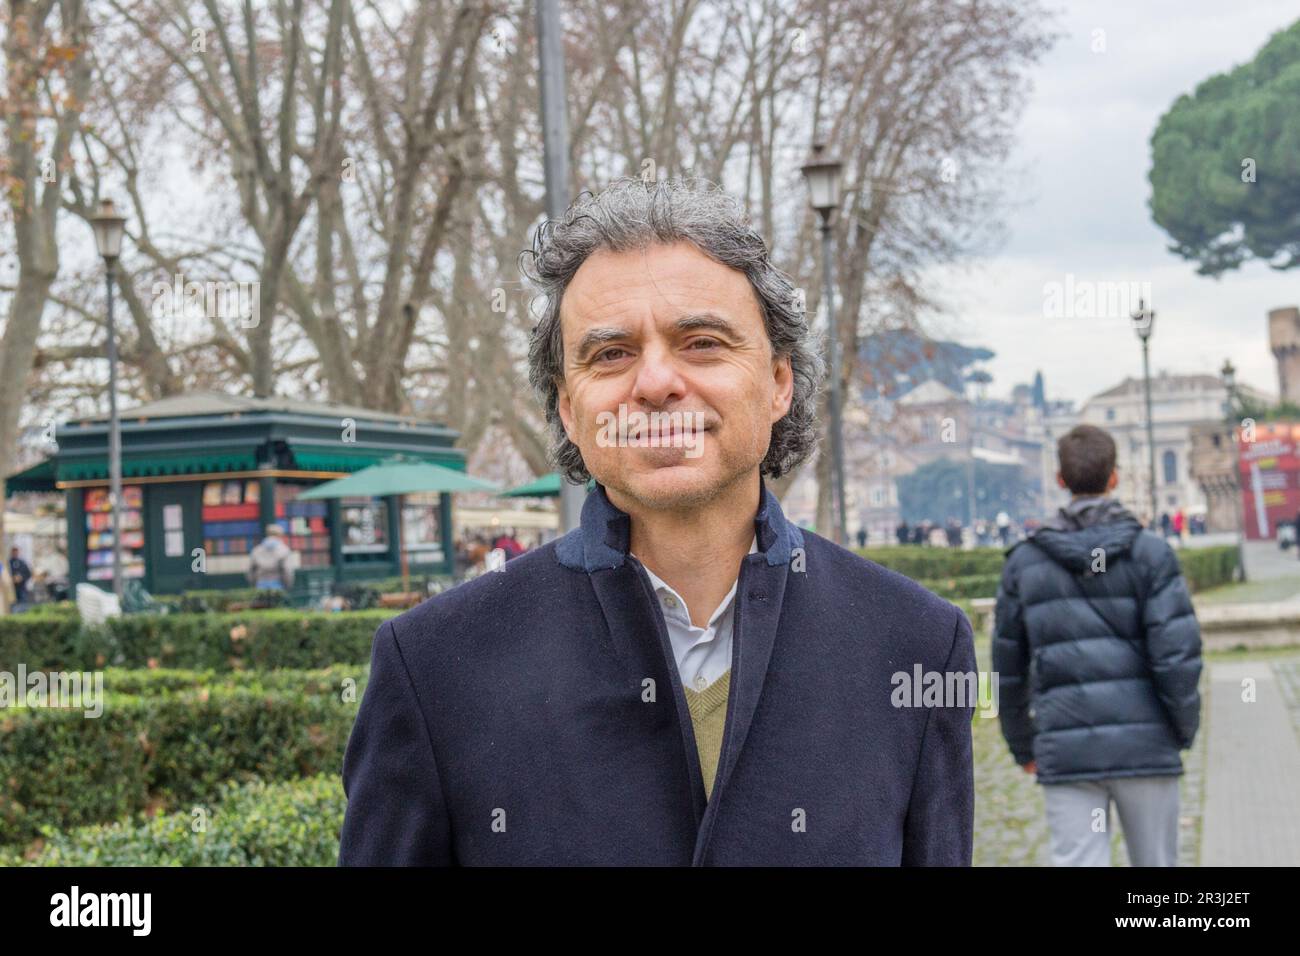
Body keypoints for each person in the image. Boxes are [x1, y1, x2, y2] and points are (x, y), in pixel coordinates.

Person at [339, 178, 975, 866]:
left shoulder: (915, 645)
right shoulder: (435, 666)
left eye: (701, 342)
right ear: (568, 409)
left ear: (779, 383)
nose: (655, 382)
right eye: (610, 354)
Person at [993, 424, 1201, 867]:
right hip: (1146, 744)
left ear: (1060, 480)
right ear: (1115, 477)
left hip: (1067, 749)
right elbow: (1177, 657)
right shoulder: (1152, 554)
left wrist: (1022, 745)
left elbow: (1007, 668)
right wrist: (1181, 729)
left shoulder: (1025, 562)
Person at [246, 525, 296, 591]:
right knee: (277, 601)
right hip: (278, 584)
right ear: (280, 535)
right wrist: (287, 585)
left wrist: (254, 583)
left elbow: (251, 570)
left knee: (262, 601)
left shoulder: (257, 550)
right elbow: (287, 570)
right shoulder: (284, 549)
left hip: (260, 583)